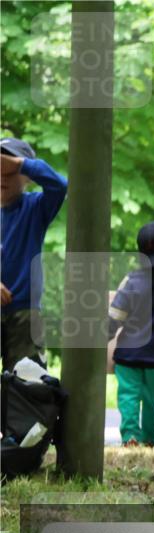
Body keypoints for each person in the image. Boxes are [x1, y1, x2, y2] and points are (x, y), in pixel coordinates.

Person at [107, 221, 154, 448]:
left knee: (128, 396)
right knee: (152, 399)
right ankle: (150, 439)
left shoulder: (132, 280)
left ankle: (130, 436)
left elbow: (115, 317)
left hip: (128, 355)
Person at [0, 137, 68, 371]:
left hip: (24, 312)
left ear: (27, 177)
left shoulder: (35, 207)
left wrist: (21, 164)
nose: (3, 175)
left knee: (26, 386)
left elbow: (60, 186)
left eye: (8, 169)